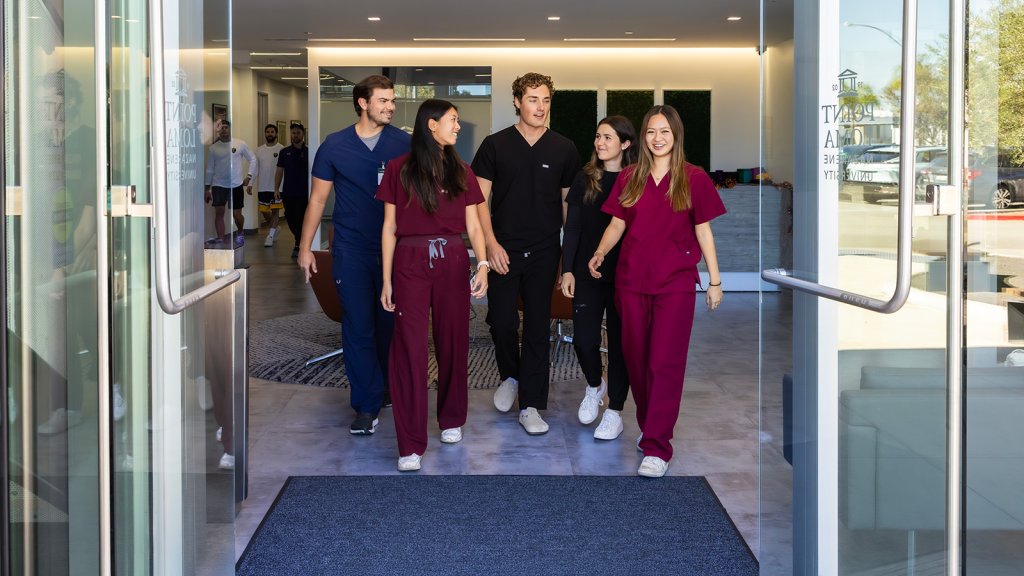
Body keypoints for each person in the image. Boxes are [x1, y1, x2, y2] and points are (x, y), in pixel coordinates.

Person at [588, 105, 725, 478]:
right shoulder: (630, 176)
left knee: (664, 362)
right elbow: (617, 223)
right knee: (636, 360)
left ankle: (657, 446)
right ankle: (651, 428)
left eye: (664, 131)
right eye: (651, 131)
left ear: (676, 135)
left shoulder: (694, 178)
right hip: (631, 282)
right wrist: (600, 252)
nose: (657, 138)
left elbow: (704, 231)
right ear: (643, 137)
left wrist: (714, 280)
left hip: (675, 285)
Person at [378, 99, 489, 472]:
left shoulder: (461, 170)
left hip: (454, 259)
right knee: (408, 348)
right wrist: (386, 279)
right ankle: (409, 443)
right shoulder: (399, 169)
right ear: (431, 124)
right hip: (410, 261)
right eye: (452, 121)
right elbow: (390, 228)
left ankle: (452, 418)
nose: (458, 127)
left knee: (453, 340)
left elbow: (474, 226)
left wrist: (484, 264)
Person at [298, 75, 410, 435]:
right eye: (383, 101)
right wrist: (305, 247)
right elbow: (317, 200)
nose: (390, 106)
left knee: (389, 324)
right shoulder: (335, 146)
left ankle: (386, 386)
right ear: (362, 103)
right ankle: (365, 405)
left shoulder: (404, 144)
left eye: (392, 101)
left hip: (396, 250)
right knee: (358, 325)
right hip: (351, 250)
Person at [471, 72, 580, 435]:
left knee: (537, 327)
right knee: (501, 321)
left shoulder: (564, 148)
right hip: (503, 248)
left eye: (546, 100)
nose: (540, 107)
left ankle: (531, 405)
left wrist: (570, 257)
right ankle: (512, 376)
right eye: (533, 99)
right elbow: (478, 201)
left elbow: (569, 208)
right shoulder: (494, 145)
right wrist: (490, 246)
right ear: (517, 101)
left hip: (546, 249)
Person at [560, 116, 637, 439]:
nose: (599, 143)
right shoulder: (585, 178)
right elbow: (573, 227)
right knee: (583, 339)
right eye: (597, 137)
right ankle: (595, 385)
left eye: (607, 137)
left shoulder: (638, 180)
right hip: (586, 272)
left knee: (621, 347)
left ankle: (615, 409)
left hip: (626, 275)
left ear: (626, 143)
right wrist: (567, 269)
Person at [204, 120, 257, 246]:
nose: (223, 130)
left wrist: (249, 177)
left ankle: (240, 232)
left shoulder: (240, 144)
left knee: (237, 215)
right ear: (218, 131)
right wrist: (207, 188)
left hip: (236, 185)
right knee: (219, 213)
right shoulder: (213, 148)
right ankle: (221, 239)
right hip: (218, 185)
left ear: (230, 129)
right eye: (221, 128)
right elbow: (210, 169)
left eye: (226, 127)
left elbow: (253, 159)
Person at [275, 123, 309, 259]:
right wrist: (276, 188)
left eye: (298, 133)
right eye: (293, 133)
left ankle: (298, 244)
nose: (295, 135)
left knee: (301, 218)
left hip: (304, 192)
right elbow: (279, 171)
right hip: (288, 192)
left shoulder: (308, 152)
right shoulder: (284, 152)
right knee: (290, 218)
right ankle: (299, 239)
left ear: (303, 134)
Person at [254, 124, 285, 247]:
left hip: (277, 187)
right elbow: (255, 169)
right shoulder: (259, 150)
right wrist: (250, 183)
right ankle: (275, 228)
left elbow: (283, 169)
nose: (270, 134)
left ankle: (270, 236)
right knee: (264, 212)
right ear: (265, 134)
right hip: (263, 187)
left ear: (276, 134)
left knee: (275, 211)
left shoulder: (281, 149)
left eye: (272, 132)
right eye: (268, 132)